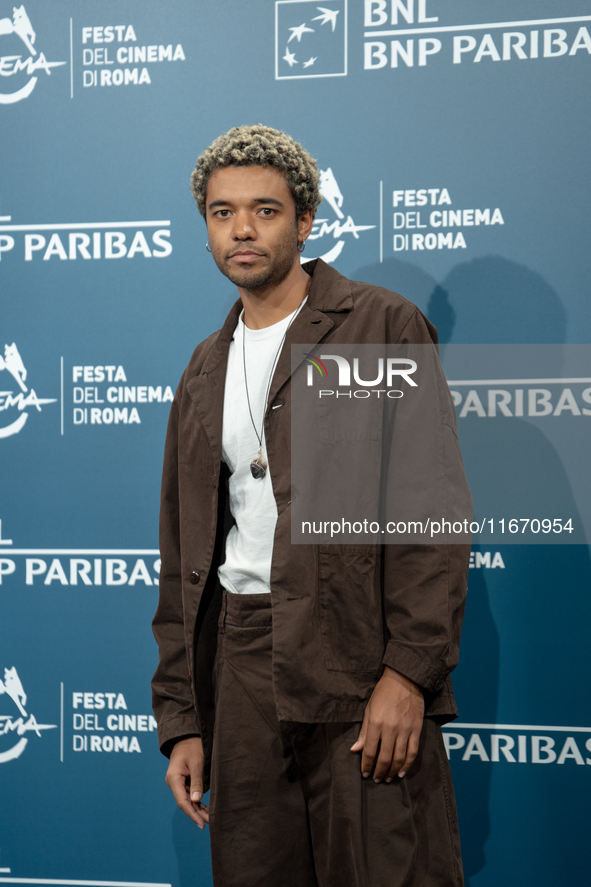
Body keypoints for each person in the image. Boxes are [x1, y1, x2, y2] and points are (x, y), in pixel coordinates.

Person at [152, 124, 470, 887]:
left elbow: (429, 513)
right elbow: (182, 552)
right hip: (241, 658)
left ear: (305, 219)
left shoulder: (379, 326)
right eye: (222, 212)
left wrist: (407, 675)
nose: (242, 229)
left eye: (263, 209)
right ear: (205, 229)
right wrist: (184, 720)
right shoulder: (205, 365)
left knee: (388, 870)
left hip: (357, 655)